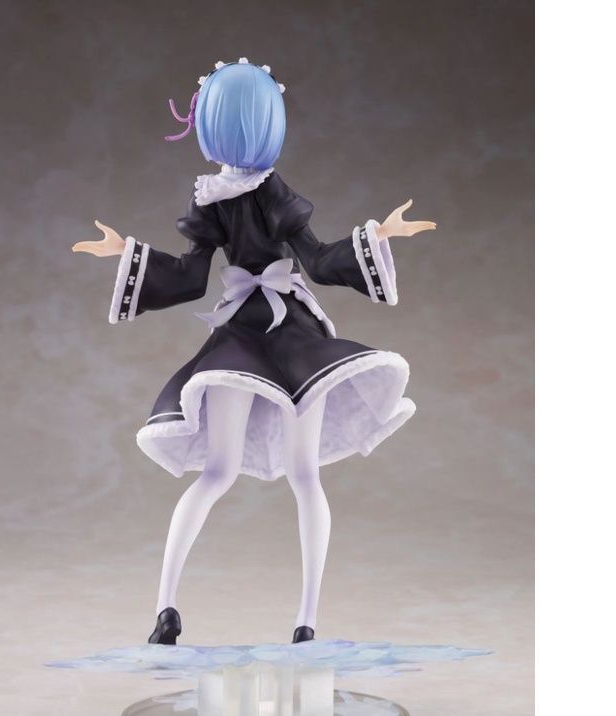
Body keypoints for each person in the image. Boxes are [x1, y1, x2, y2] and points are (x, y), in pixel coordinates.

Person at [73, 58, 436, 645]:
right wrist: (377, 237)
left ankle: (170, 609)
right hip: (289, 335)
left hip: (242, 337)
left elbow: (190, 278)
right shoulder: (260, 193)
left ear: (210, 125)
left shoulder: (220, 197)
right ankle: (302, 621)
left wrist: (129, 253)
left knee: (220, 474)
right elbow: (318, 261)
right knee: (302, 475)